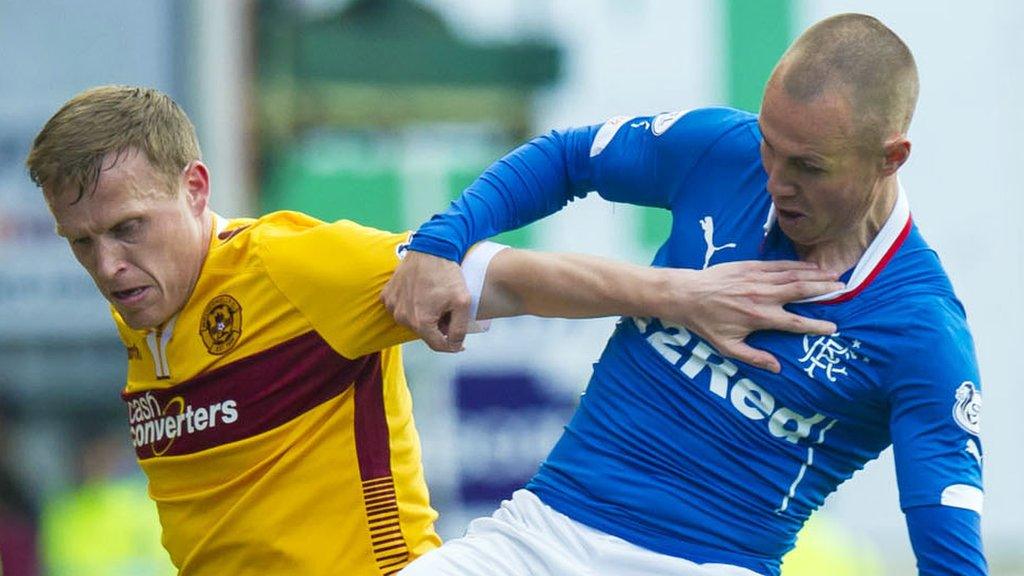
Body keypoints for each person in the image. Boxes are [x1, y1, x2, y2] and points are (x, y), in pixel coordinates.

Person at [25, 86, 838, 575]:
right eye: (82, 242)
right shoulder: (148, 299)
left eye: (128, 228)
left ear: (197, 189)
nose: (107, 264)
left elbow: (508, 279)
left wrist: (679, 294)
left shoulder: (294, 268)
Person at [385, 13, 986, 576]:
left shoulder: (921, 331)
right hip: (538, 535)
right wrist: (441, 242)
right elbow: (569, 158)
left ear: (891, 158)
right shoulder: (723, 152)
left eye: (807, 166)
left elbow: (951, 558)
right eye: (769, 146)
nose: (776, 183)